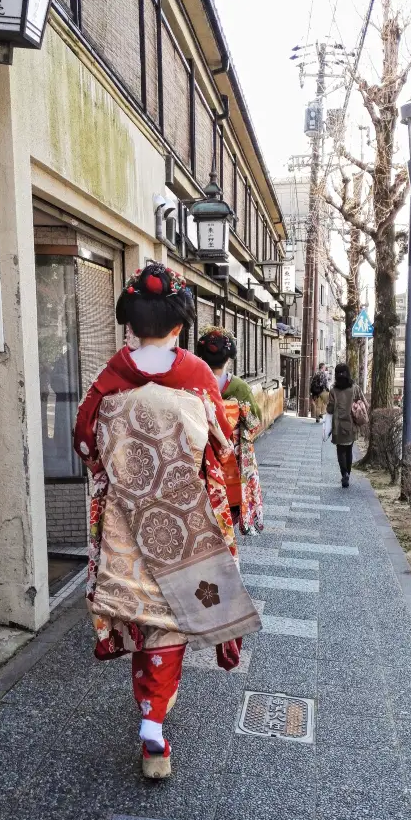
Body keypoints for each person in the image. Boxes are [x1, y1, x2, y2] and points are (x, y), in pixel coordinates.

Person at [73, 263, 261, 779]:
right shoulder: (198, 377)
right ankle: (154, 724)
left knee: (142, 617)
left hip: (127, 521)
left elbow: (85, 441)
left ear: (129, 324)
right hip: (182, 520)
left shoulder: (110, 376)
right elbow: (221, 444)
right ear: (180, 327)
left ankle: (150, 712)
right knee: (172, 620)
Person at [196, 325, 264, 535]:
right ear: (229, 359)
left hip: (202, 452)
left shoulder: (195, 384)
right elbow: (254, 424)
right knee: (231, 499)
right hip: (232, 453)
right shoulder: (240, 388)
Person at [326, 363, 368, 488]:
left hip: (338, 424)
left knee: (340, 451)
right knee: (349, 449)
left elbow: (330, 408)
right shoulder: (354, 388)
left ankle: (344, 473)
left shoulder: (333, 391)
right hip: (351, 423)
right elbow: (363, 401)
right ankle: (348, 474)